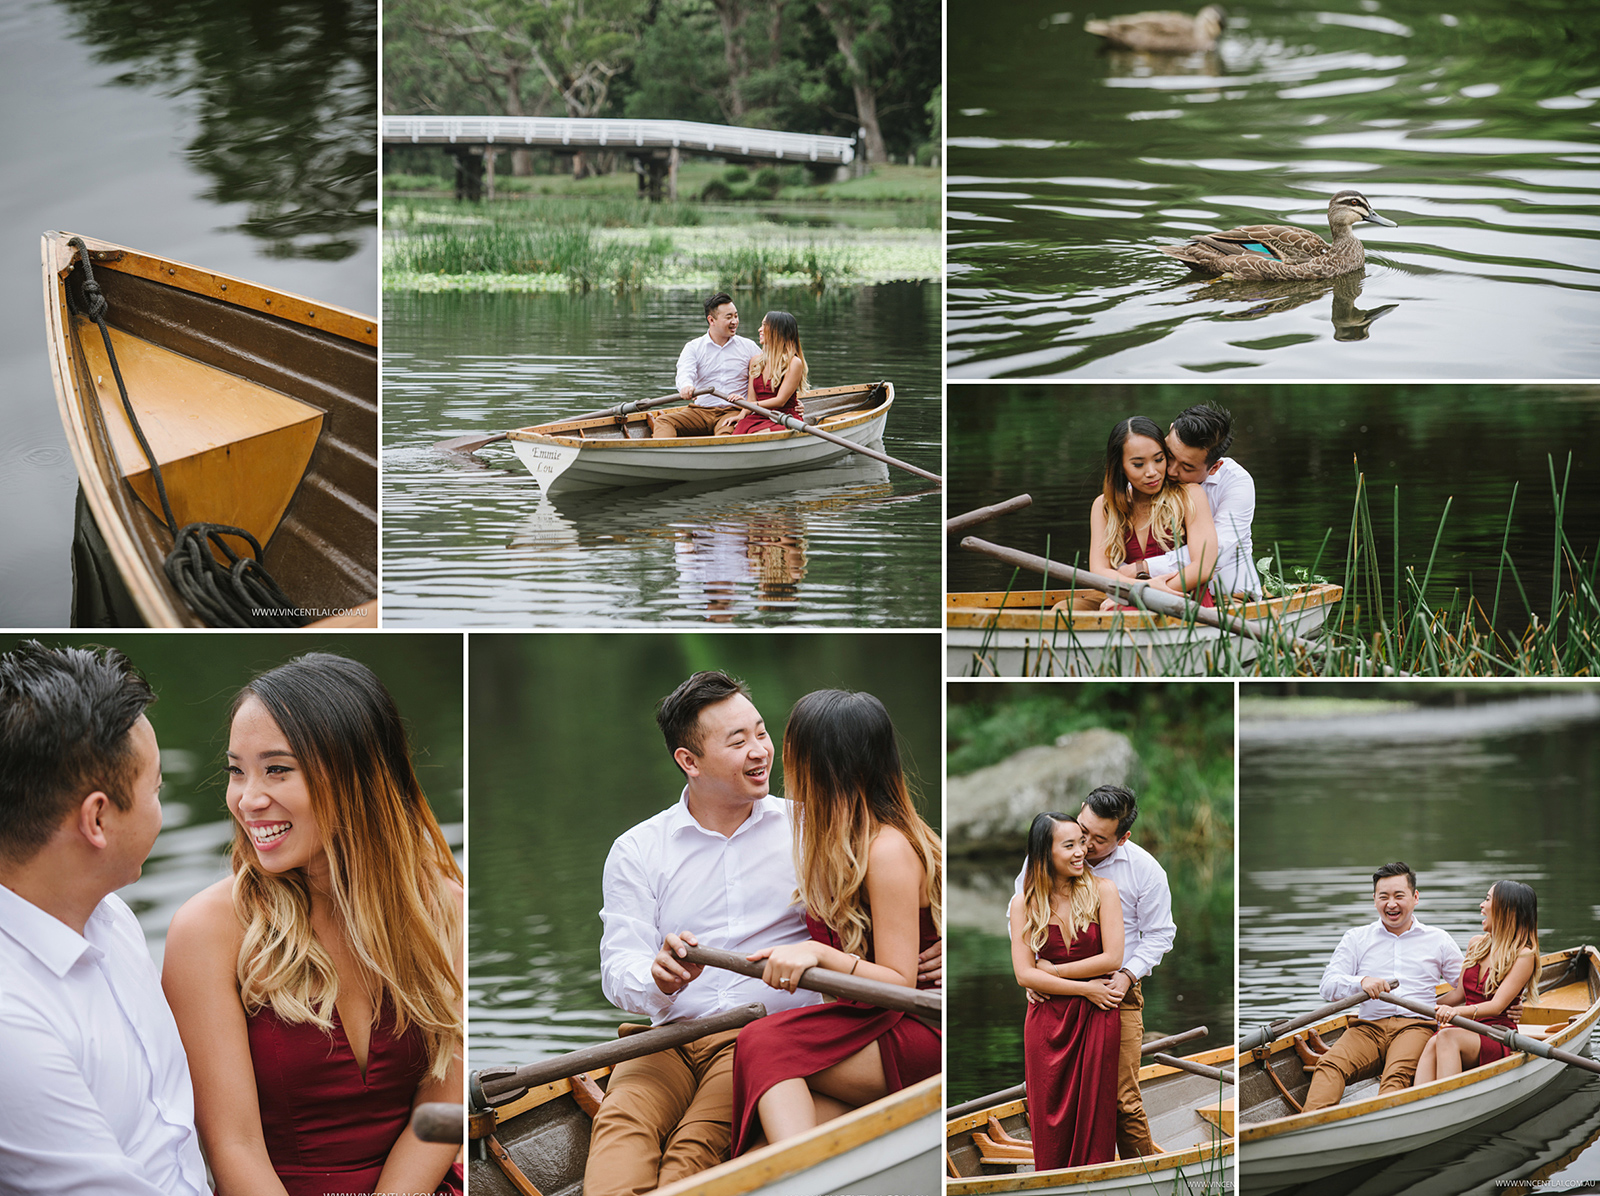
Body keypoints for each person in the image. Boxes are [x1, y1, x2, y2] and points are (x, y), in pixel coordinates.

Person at [586, 672, 940, 1196]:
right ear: (689, 761)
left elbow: (900, 897)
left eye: (762, 733)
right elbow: (619, 970)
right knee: (619, 1126)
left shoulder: (811, 830)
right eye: (738, 741)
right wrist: (655, 978)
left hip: (759, 1032)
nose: (761, 752)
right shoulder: (639, 849)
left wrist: (940, 941)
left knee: (694, 1153)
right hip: (665, 1038)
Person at [162, 654, 464, 1196]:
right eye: (237, 770)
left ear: (358, 776)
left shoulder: (444, 910)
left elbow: (443, 1109)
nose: (248, 799)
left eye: (277, 769)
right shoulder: (207, 931)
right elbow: (232, 1147)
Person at [0, 642, 209, 1195]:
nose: (160, 805)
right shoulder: (11, 1026)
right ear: (97, 818)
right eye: (156, 788)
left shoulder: (109, 912)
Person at [728, 689, 942, 1154]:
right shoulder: (831, 842)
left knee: (762, 1042)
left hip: (915, 1027)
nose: (778, 759)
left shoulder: (887, 850)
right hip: (864, 1023)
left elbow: (901, 982)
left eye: (790, 750)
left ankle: (807, 1177)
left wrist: (819, 953)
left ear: (822, 764)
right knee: (762, 1145)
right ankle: (811, 1171)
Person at [1009, 785, 1174, 1159]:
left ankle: (1146, 1176)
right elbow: (1020, 922)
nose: (1084, 846)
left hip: (1117, 991)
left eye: (1097, 839)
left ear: (1123, 836)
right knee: (1051, 1102)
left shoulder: (1142, 871)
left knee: (1120, 1100)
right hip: (1052, 998)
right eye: (1081, 832)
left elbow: (1160, 934)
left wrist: (1125, 974)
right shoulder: (1042, 863)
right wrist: (1036, 973)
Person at [1301, 862, 1464, 1110]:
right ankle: (1306, 1132)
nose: (1391, 904)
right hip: (1367, 1028)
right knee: (1329, 1065)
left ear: (1415, 897)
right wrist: (1362, 982)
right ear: (1374, 899)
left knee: (1396, 1077)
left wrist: (1437, 1005)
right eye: (1384, 897)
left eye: (1399, 896)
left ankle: (1380, 1133)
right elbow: (1328, 986)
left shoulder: (1438, 939)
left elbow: (1467, 987)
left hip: (1416, 1026)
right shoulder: (1357, 938)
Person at [1010, 813, 1123, 1169]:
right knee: (1049, 1109)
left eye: (1083, 843)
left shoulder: (1103, 890)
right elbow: (1024, 975)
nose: (1082, 852)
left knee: (1095, 1106)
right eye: (1070, 844)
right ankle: (1052, 1180)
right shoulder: (1023, 903)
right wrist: (1083, 989)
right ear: (1045, 851)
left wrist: (1058, 974)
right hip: (1047, 1019)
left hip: (1098, 1012)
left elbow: (1112, 957)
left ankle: (1096, 1178)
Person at [1079, 416, 1218, 612]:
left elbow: (1204, 567)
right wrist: (1141, 589)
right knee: (1065, 608)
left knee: (1117, 613)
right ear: (1121, 466)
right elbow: (1099, 572)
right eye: (1138, 464)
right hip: (1131, 596)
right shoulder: (1104, 506)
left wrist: (1147, 594)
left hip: (1182, 596)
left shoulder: (1189, 495)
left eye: (1159, 459)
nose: (1152, 472)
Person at [1132, 403, 1262, 598]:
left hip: (1230, 598)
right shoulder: (1149, 476)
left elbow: (1213, 554)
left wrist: (1143, 570)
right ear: (1170, 430)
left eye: (1187, 467)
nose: (1171, 471)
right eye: (1169, 456)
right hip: (1151, 591)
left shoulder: (1236, 483)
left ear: (1214, 467)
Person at [1414, 881, 1539, 1084]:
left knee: (1446, 1037)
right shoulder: (1476, 944)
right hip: (1465, 1027)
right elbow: (1459, 995)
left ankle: (1448, 1102)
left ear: (1506, 909)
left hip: (1496, 1033)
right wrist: (1423, 1006)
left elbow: (1496, 1005)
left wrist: (1454, 1013)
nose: (1482, 905)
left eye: (1488, 899)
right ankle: (1418, 1100)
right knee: (1434, 1040)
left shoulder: (1524, 955)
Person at [651, 292, 759, 438]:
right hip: (701, 411)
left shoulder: (748, 347)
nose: (735, 321)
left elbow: (768, 375)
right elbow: (685, 372)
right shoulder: (693, 347)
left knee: (725, 434)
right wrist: (686, 386)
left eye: (736, 316)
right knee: (663, 421)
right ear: (711, 320)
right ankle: (664, 458)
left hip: (734, 410)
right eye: (729, 317)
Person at [727, 311, 809, 435]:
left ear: (778, 331)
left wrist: (754, 405)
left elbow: (780, 400)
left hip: (784, 418)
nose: (760, 329)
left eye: (765, 325)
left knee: (758, 435)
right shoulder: (755, 361)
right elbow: (751, 399)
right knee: (737, 432)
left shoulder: (793, 362)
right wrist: (742, 414)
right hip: (759, 416)